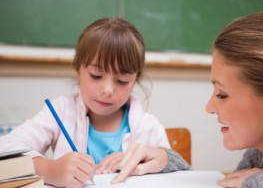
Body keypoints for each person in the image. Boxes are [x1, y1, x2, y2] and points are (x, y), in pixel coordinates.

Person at [110, 11, 263, 188]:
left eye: (222, 94)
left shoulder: (262, 171)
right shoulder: (261, 155)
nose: (209, 107)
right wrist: (169, 162)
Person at [0, 17, 170, 187]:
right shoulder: (61, 112)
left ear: (135, 79)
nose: (108, 89)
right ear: (78, 70)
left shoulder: (148, 127)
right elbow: (5, 149)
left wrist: (165, 159)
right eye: (96, 75)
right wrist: (50, 170)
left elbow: (182, 174)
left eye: (122, 80)